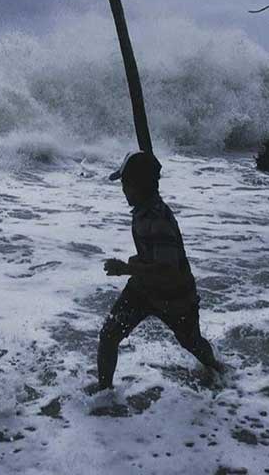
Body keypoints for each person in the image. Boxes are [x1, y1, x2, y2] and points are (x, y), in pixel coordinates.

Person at [91, 151, 225, 393]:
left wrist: (126, 268)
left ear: (140, 186)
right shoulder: (144, 209)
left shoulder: (158, 219)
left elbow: (168, 270)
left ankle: (217, 368)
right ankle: (104, 390)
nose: (123, 190)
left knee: (191, 342)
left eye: (126, 184)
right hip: (144, 287)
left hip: (174, 294)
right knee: (109, 335)